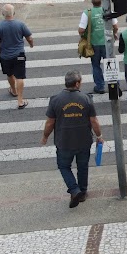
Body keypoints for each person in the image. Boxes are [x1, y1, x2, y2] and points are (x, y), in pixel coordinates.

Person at [41, 70, 103, 208]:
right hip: (84, 140)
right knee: (82, 166)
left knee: (63, 166)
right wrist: (99, 136)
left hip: (64, 141)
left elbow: (50, 122)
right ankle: (83, 191)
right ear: (77, 83)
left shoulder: (55, 100)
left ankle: (74, 190)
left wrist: (45, 136)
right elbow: (94, 121)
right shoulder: (86, 99)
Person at [0, 3, 34, 109]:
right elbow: (29, 37)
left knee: (10, 74)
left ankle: (14, 90)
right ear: (14, 13)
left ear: (3, 13)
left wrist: (0, 52)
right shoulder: (20, 24)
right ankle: (20, 100)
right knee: (20, 76)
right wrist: (31, 45)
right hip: (19, 55)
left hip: (5, 56)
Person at [78, 0, 118, 94]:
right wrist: (114, 33)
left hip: (94, 43)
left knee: (96, 65)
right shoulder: (108, 11)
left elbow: (81, 29)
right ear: (101, 2)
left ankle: (100, 86)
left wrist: (85, 36)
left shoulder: (88, 13)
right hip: (107, 42)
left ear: (92, 2)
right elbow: (115, 26)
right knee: (110, 64)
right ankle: (115, 84)